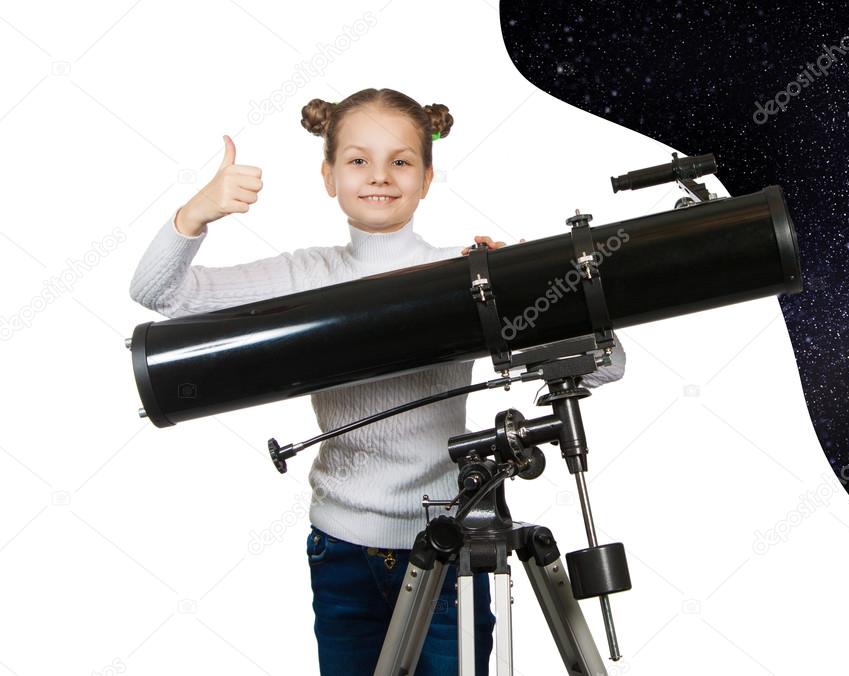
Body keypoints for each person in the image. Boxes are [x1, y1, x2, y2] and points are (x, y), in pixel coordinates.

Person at [128, 87, 626, 675]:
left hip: (451, 541)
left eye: (401, 161)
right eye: (358, 160)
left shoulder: (466, 271)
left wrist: (532, 288)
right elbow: (158, 294)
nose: (380, 176)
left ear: (426, 176)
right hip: (341, 548)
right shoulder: (305, 275)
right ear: (328, 175)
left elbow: (607, 364)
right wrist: (196, 214)